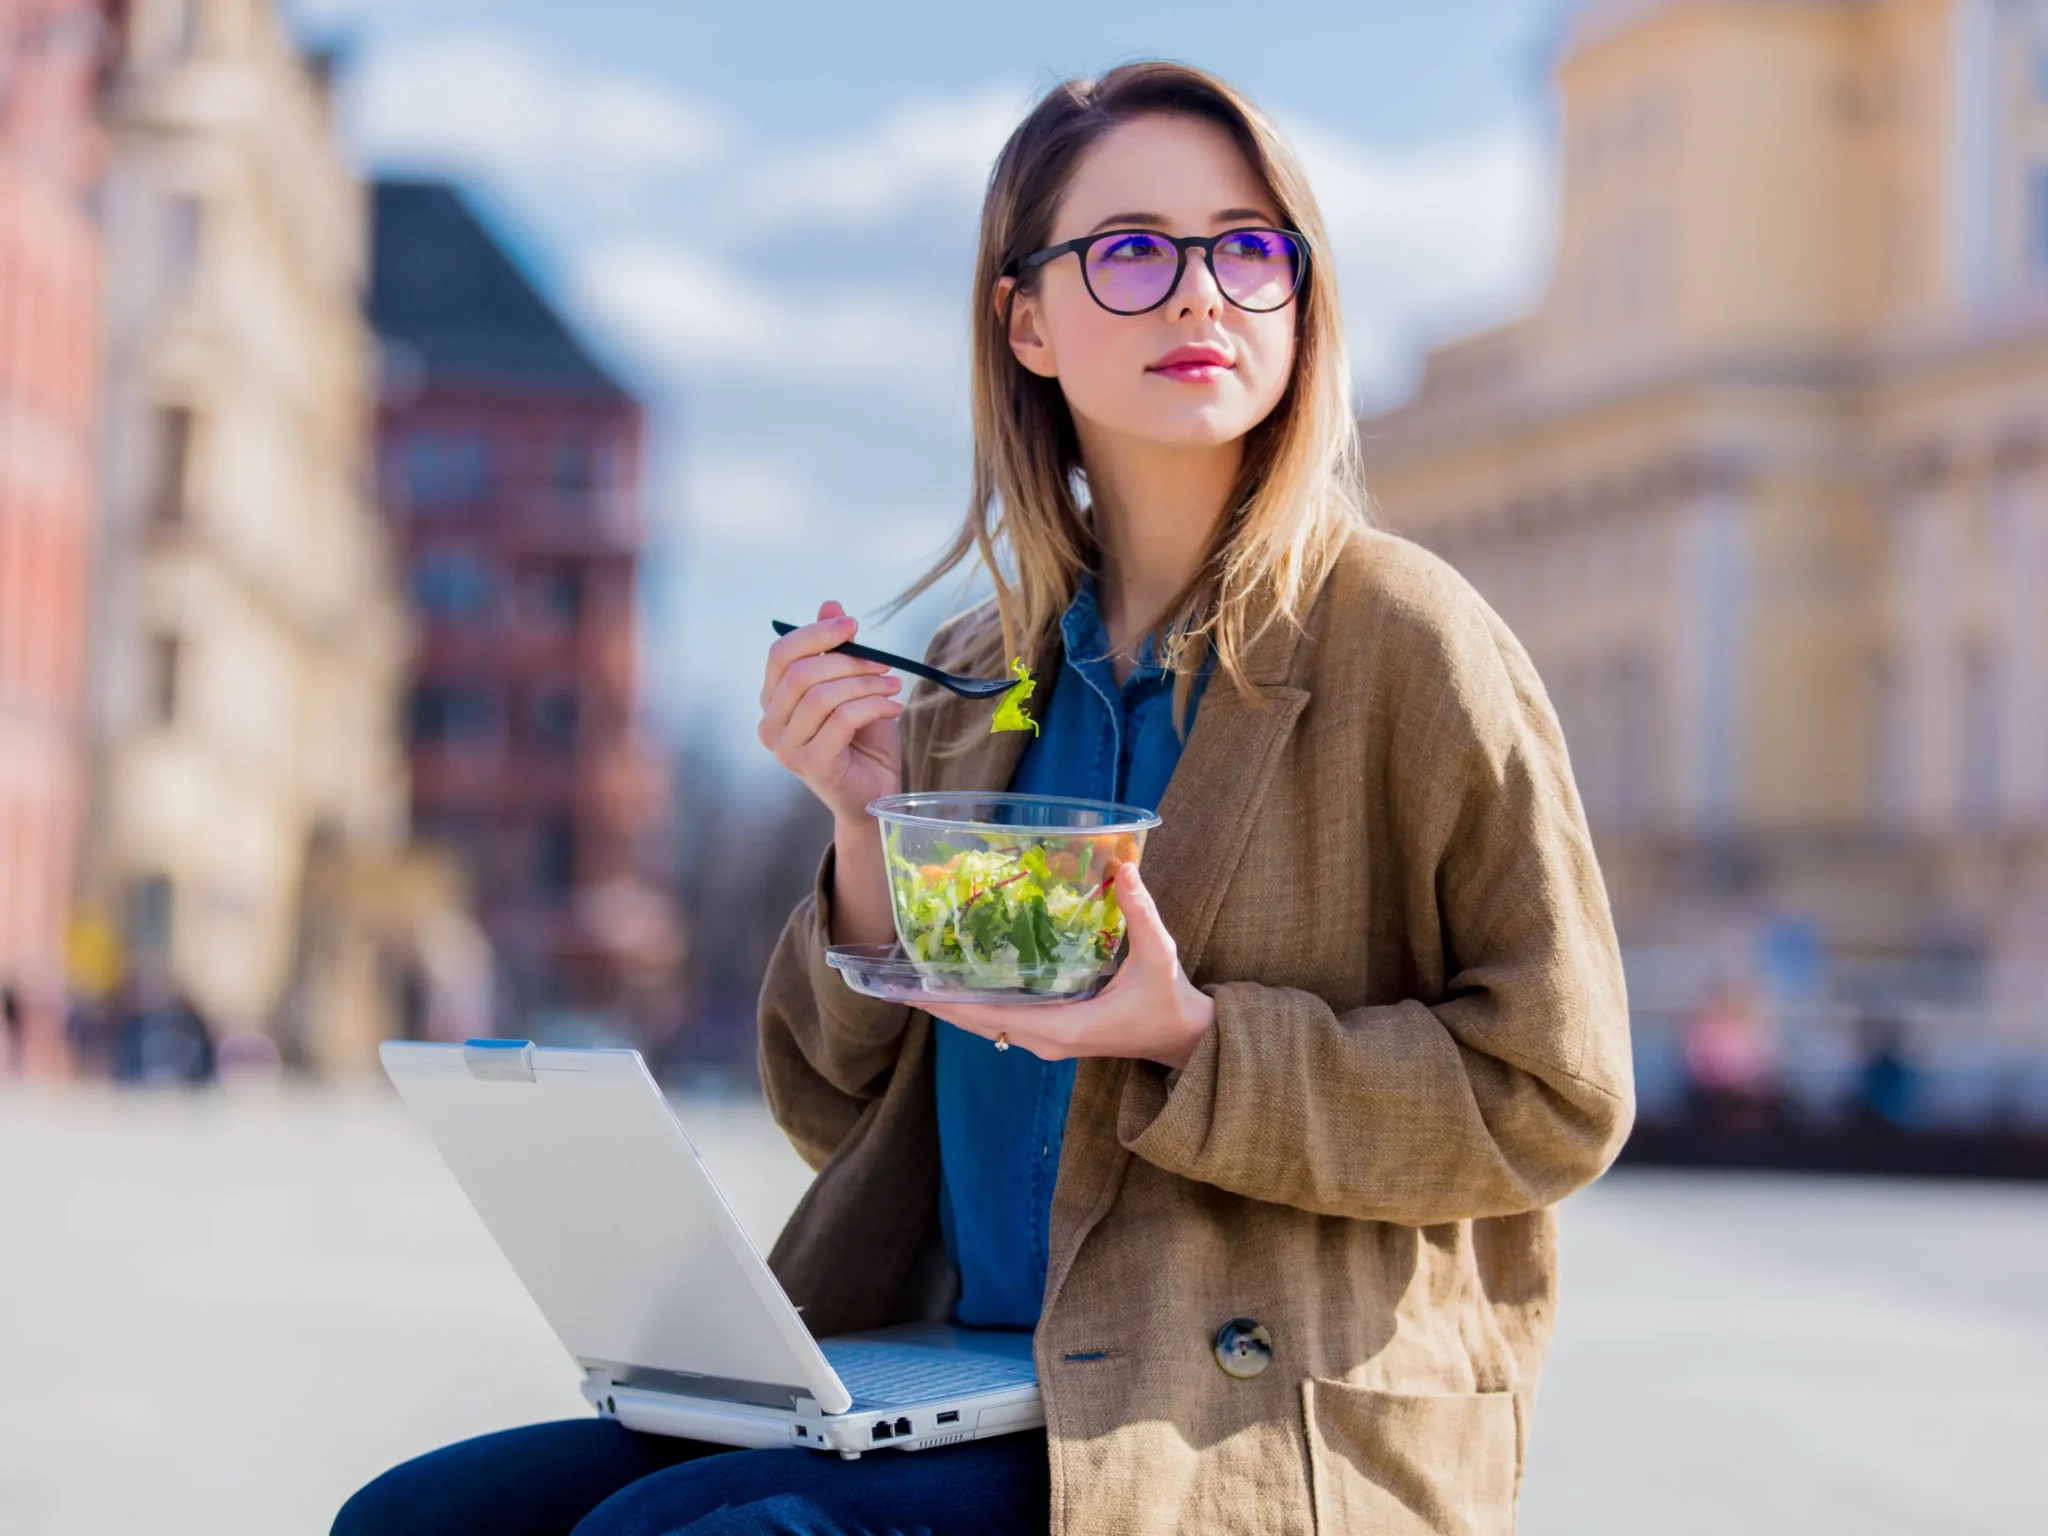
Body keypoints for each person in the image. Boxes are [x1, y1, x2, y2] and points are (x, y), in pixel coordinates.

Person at [336, 61, 1633, 1536]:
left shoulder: (1406, 638)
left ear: (1299, 299)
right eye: (1135, 250)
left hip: (1227, 1408)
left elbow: (1556, 1097)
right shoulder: (980, 673)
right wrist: (860, 826)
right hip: (949, 1362)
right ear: (1026, 320)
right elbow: (837, 1113)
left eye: (1248, 247)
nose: (1203, 293)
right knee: (417, 1521)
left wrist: (1193, 1040)